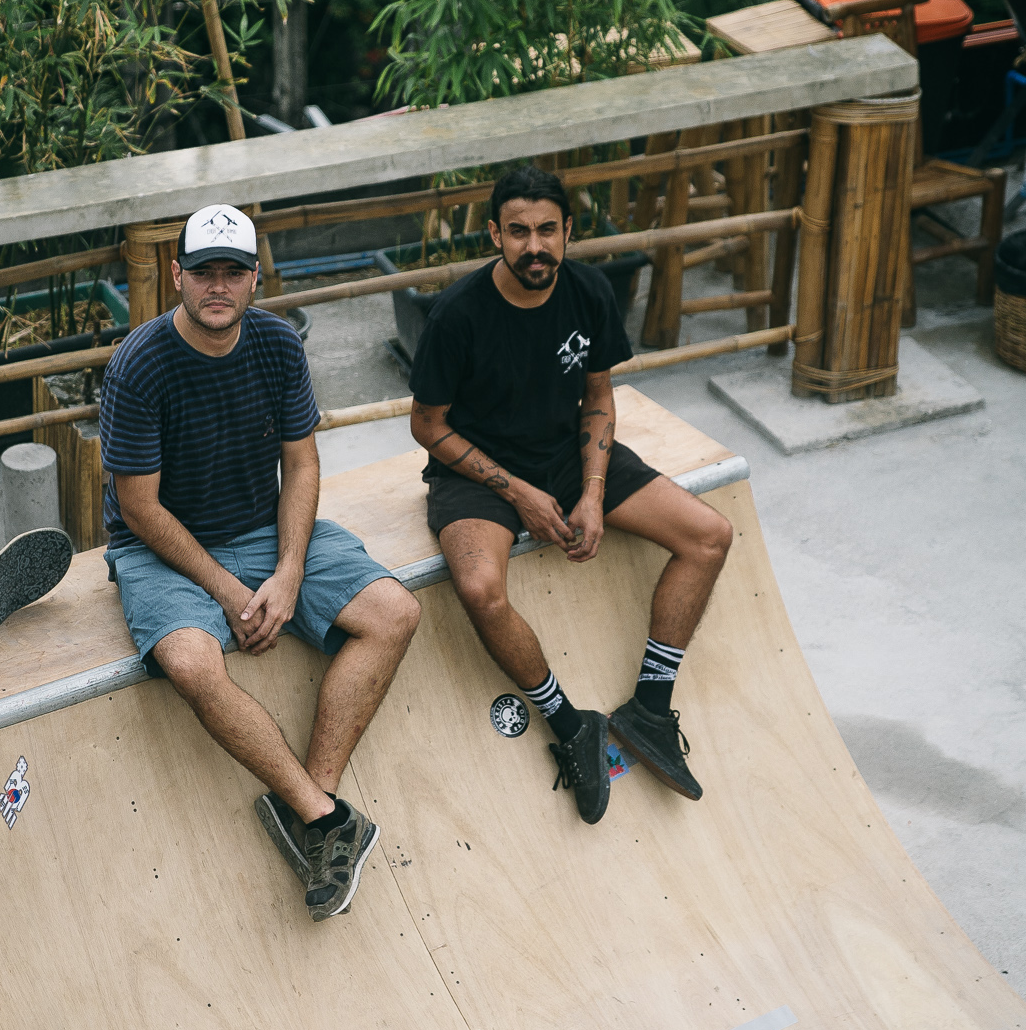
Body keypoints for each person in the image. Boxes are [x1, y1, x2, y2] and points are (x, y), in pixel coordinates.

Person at [100, 202, 421, 920]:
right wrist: (227, 592)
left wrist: (289, 571)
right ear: (176, 274)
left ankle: (312, 806)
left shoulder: (277, 344)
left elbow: (303, 465)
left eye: (234, 273)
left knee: (395, 611)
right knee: (190, 664)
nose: (219, 286)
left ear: (254, 281)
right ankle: (331, 823)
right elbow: (141, 509)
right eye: (205, 272)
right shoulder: (138, 367)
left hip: (259, 527)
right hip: (160, 548)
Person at [408, 163, 733, 822]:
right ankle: (569, 723)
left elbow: (599, 399)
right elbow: (427, 426)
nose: (536, 246)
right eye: (520, 231)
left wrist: (590, 493)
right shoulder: (457, 315)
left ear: (568, 232)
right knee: (478, 590)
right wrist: (520, 494)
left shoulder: (587, 291)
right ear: (494, 234)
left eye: (548, 230)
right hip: (477, 475)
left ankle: (649, 706)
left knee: (710, 534)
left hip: (568, 455)